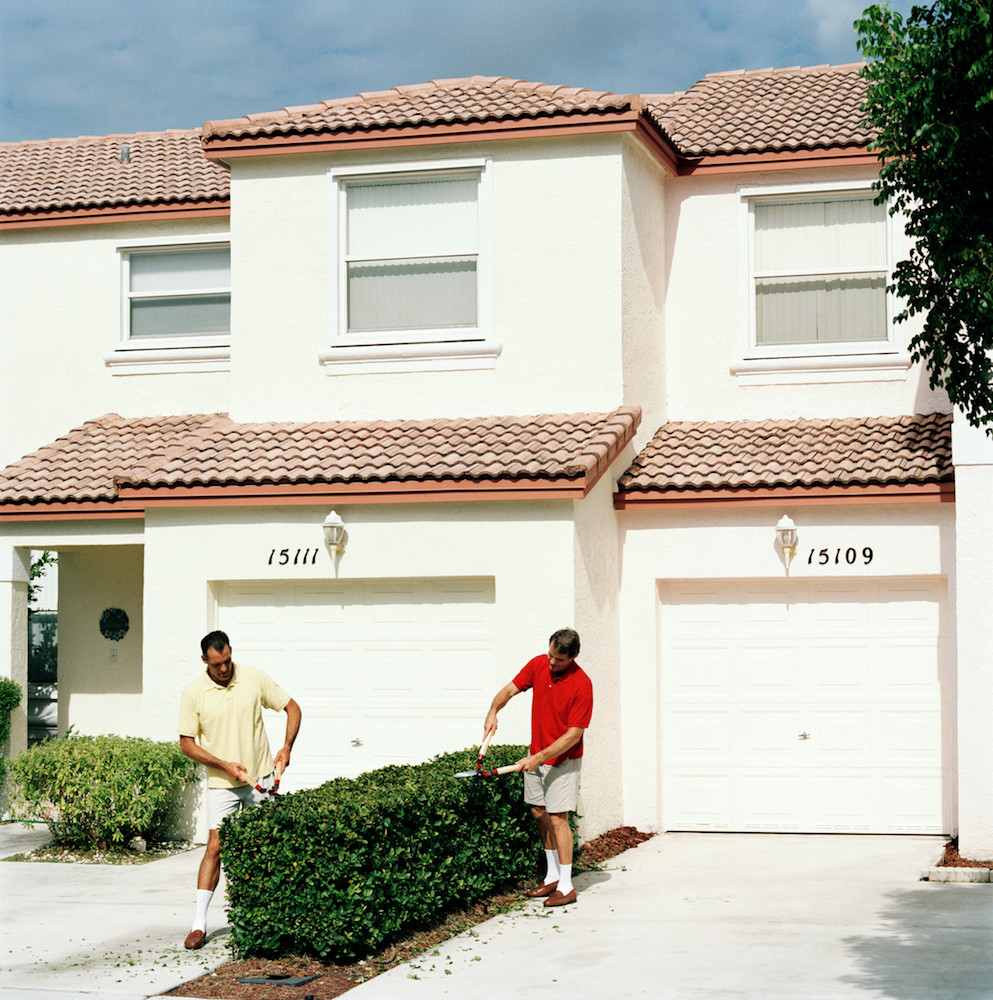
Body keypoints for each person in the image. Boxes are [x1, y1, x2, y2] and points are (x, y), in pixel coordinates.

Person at [178, 630, 302, 950]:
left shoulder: (254, 678)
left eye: (227, 661)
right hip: (223, 783)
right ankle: (198, 925)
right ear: (205, 660)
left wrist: (286, 748)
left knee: (269, 847)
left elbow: (292, 708)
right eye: (217, 664)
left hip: (261, 778)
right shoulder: (193, 692)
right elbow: (187, 744)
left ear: (231, 652)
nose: (223, 669)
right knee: (215, 848)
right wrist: (223, 764)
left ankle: (276, 920)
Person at [483, 628, 592, 907]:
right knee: (538, 812)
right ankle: (552, 876)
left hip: (562, 760)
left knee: (558, 818)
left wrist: (539, 757)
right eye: (550, 655)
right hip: (537, 754)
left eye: (559, 660)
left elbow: (573, 735)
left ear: (573, 657)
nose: (552, 663)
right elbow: (509, 690)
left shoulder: (582, 685)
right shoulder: (538, 664)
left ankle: (567, 886)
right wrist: (493, 712)